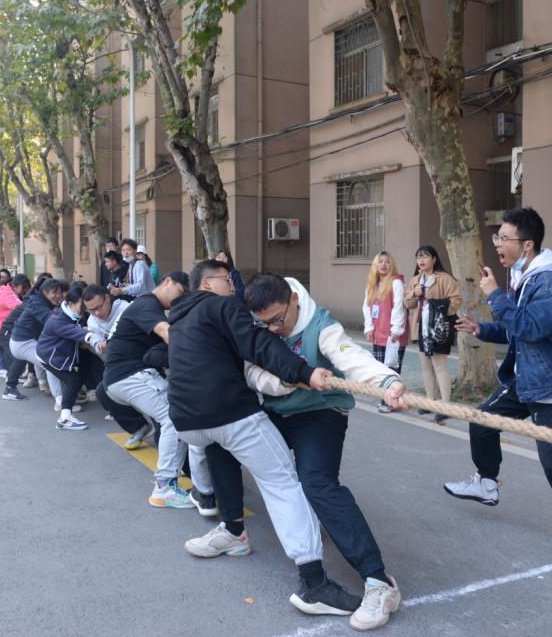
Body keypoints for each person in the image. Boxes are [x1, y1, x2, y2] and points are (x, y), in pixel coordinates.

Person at [167, 259, 360, 617]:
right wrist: (302, 371)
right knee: (283, 483)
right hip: (229, 413)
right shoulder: (222, 306)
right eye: (227, 280)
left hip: (187, 423)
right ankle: (314, 584)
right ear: (207, 284)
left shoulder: (180, 318)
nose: (234, 287)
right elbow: (257, 343)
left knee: (219, 450)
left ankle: (233, 532)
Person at [212, 273, 405, 630]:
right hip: (275, 411)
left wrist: (387, 382)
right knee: (222, 440)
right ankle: (233, 530)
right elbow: (253, 374)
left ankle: (379, 581)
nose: (274, 330)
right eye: (265, 324)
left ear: (294, 300)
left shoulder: (321, 325)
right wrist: (291, 380)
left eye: (278, 320)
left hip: (319, 414)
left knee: (317, 484)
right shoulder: (256, 325)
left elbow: (350, 356)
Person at [448, 207, 552, 572]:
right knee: (483, 420)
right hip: (527, 379)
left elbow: (532, 328)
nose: (497, 244)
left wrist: (494, 295)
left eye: (503, 238)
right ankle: (487, 482)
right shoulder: (524, 276)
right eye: (497, 237)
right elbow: (515, 331)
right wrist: (481, 329)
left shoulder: (551, 281)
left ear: (527, 244)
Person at [104, 271, 195, 507]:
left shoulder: (149, 306)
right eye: (180, 292)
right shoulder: (147, 304)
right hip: (130, 376)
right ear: (167, 281)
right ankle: (165, 487)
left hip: (124, 377)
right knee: (174, 417)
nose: (179, 299)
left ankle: (176, 474)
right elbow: (168, 333)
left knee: (170, 419)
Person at [403, 245, 460, 424]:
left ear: (434, 259)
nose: (421, 260)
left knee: (439, 365)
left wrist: (437, 309)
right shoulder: (415, 280)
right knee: (425, 365)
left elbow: (456, 300)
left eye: (425, 256)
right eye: (418, 257)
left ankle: (445, 406)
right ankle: (430, 401)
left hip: (438, 327)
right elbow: (407, 303)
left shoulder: (444, 278)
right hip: (421, 327)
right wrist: (414, 293)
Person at [36, 286, 105, 430]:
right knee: (73, 380)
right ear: (70, 303)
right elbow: (75, 331)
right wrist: (94, 338)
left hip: (58, 354)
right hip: (49, 356)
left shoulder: (71, 314)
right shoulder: (58, 319)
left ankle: (67, 407)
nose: (85, 310)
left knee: (77, 377)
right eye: (82, 307)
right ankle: (64, 417)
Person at [82, 284, 148, 430]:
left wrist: (108, 343)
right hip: (118, 364)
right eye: (91, 310)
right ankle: (139, 427)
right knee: (102, 391)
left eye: (98, 307)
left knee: (153, 405)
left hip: (142, 360)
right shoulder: (92, 320)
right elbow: (97, 344)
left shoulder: (125, 309)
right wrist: (102, 343)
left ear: (107, 298)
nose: (96, 313)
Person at [10, 278, 70, 405]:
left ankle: (43, 383)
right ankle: (61, 401)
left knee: (44, 353)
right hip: (22, 343)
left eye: (60, 292)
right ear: (45, 292)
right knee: (50, 363)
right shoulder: (37, 304)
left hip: (26, 341)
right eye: (54, 292)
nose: (58, 295)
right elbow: (51, 322)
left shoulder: (43, 301)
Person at [362, 251, 408, 413]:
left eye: (387, 261)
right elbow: (366, 307)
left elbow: (399, 307)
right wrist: (369, 327)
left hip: (393, 336)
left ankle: (390, 401)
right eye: (380, 261)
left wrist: (396, 330)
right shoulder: (372, 284)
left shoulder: (396, 283)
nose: (383, 264)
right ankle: (386, 398)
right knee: (380, 370)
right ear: (375, 265)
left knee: (392, 370)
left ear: (392, 265)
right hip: (378, 333)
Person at [0, 274, 34, 400]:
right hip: (7, 331)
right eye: (24, 288)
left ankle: (12, 381)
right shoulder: (31, 302)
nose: (25, 291)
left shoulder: (29, 299)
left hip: (12, 331)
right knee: (18, 358)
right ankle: (10, 387)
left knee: (20, 357)